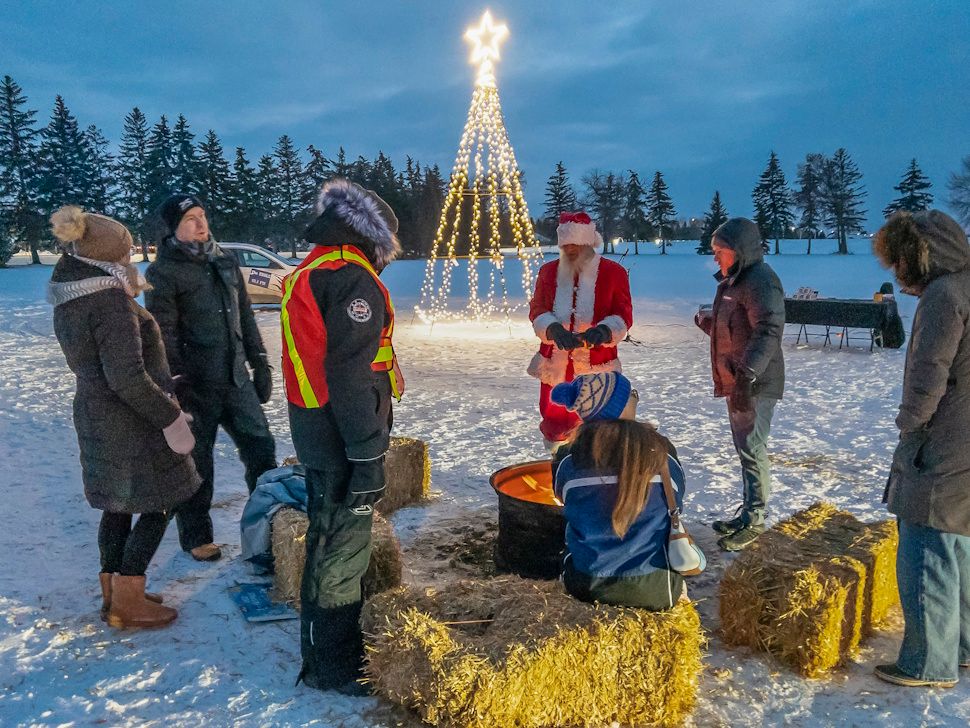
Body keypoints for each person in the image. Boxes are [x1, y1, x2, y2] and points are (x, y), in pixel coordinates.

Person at [48, 206, 200, 628]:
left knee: (117, 506)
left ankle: (112, 591)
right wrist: (172, 418)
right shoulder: (110, 302)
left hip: (98, 416)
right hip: (132, 423)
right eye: (128, 250)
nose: (132, 256)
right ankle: (128, 596)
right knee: (161, 502)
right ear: (109, 256)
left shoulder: (74, 293)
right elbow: (127, 378)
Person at [281, 178, 403, 694]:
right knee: (342, 547)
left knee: (327, 538)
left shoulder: (314, 269)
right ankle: (335, 665)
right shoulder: (351, 279)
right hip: (341, 438)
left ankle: (321, 652)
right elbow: (351, 373)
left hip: (317, 430)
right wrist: (368, 453)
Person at [145, 194, 277, 562]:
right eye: (190, 219)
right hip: (196, 387)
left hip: (237, 380)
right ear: (173, 229)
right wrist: (176, 385)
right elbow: (162, 336)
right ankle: (196, 535)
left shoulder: (225, 261)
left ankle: (267, 524)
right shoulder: (163, 273)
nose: (201, 224)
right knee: (197, 465)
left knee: (262, 450)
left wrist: (261, 361)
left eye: (202, 215)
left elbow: (246, 318)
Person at [871, 210, 970, 689]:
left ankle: (929, 661)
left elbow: (930, 370)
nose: (896, 275)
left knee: (926, 540)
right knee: (957, 542)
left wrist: (910, 424)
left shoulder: (943, 297)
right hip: (966, 440)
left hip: (944, 441)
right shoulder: (966, 286)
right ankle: (963, 644)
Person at [551, 372, 690, 610]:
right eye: (632, 394)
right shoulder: (662, 453)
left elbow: (562, 496)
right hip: (655, 588)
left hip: (586, 584)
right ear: (618, 407)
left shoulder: (569, 459)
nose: (636, 398)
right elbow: (676, 500)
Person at [695, 217, 784, 551]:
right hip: (739, 380)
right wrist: (710, 325)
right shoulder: (736, 280)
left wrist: (747, 376)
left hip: (755, 382)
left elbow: (769, 330)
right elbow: (738, 328)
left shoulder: (760, 281)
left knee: (753, 448)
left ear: (741, 250)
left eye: (721, 251)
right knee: (745, 449)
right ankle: (748, 512)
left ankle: (756, 519)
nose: (715, 257)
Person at [528, 211, 633, 450]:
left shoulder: (613, 273)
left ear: (588, 243)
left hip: (598, 365)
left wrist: (604, 331)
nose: (570, 251)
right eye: (565, 246)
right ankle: (557, 462)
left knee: (598, 424)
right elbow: (537, 308)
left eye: (575, 245)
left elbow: (623, 313)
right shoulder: (548, 272)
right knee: (555, 420)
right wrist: (553, 329)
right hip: (556, 365)